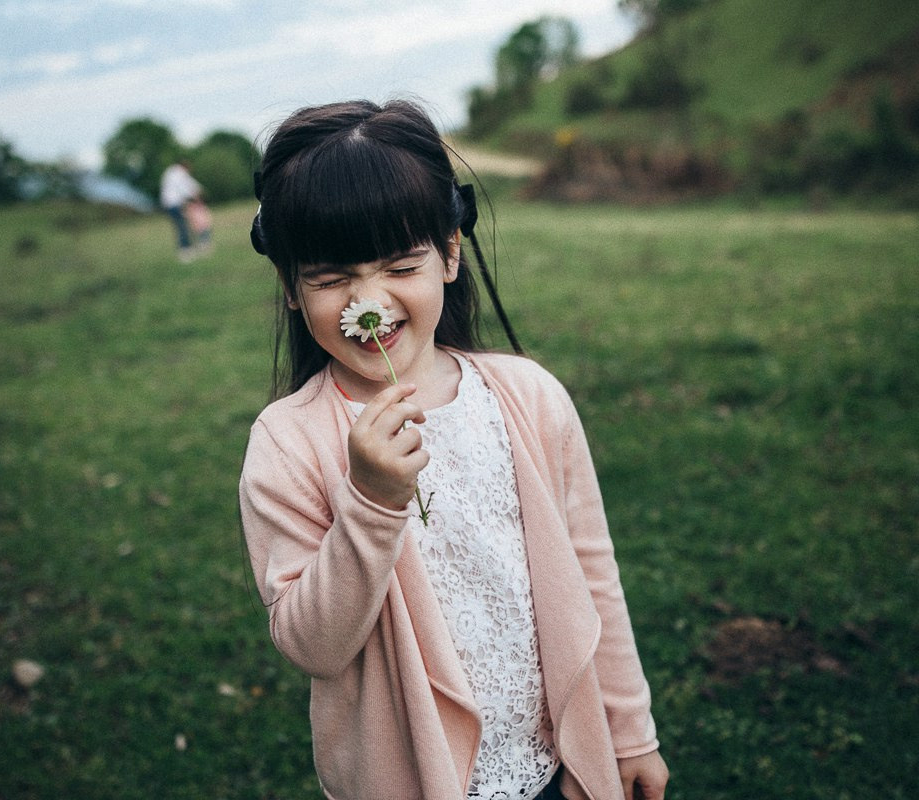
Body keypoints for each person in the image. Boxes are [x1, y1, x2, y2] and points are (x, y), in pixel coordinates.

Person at [238, 99, 669, 800]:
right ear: (290, 287)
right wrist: (373, 503)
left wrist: (629, 731)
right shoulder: (288, 445)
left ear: (449, 254)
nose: (368, 302)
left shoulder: (528, 396)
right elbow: (312, 645)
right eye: (331, 279)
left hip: (558, 763)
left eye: (399, 264)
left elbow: (594, 573)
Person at [159, 160, 201, 261]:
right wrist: (195, 196)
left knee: (180, 226)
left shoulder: (171, 172)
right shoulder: (179, 174)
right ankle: (185, 250)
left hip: (168, 204)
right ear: (185, 167)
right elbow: (186, 188)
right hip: (175, 204)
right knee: (183, 227)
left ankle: (186, 248)